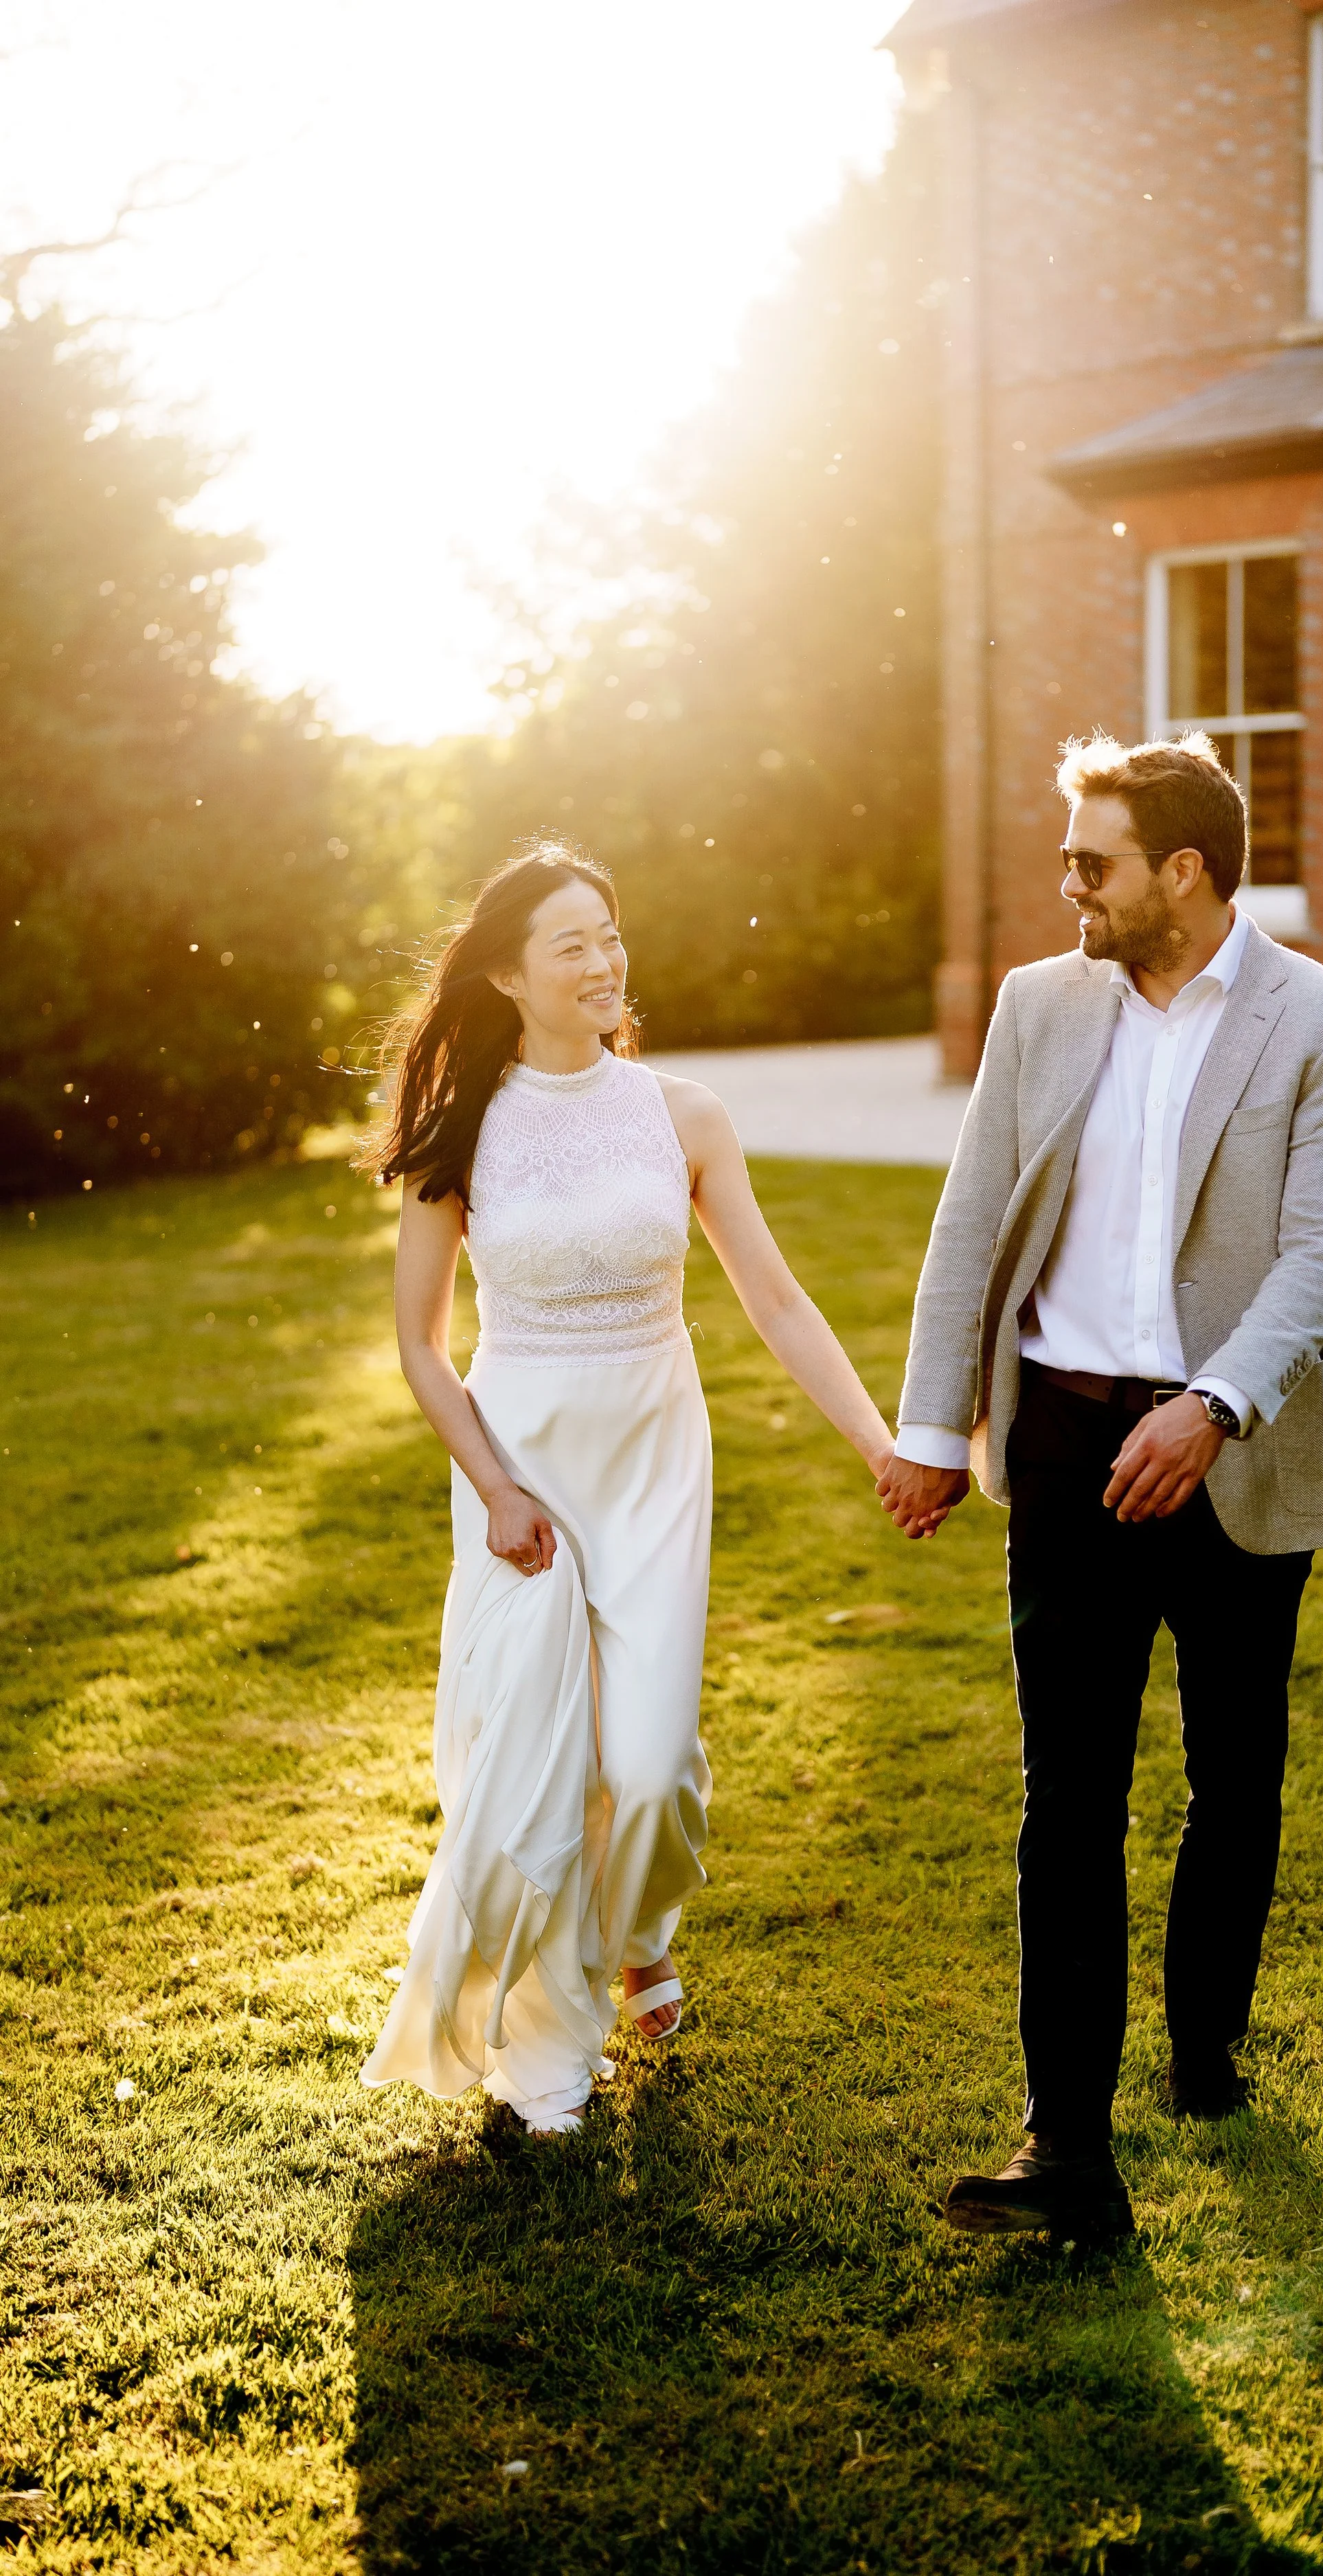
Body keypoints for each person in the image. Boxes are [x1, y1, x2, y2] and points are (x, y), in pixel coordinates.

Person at [874, 733, 1323, 2241]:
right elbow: (969, 1223)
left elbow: (1320, 1256)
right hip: (1059, 1451)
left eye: (1089, 862)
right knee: (1066, 1800)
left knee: (1232, 1779)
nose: (1066, 887)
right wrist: (926, 1425)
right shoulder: (1039, 1008)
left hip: (1234, 1448)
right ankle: (1063, 2146)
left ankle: (1204, 2037)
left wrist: (1214, 1405)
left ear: (1183, 871)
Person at [359, 842, 896, 2136]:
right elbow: (423, 1343)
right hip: (522, 1468)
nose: (604, 964)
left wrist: (880, 1443)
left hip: (657, 1452)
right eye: (571, 945)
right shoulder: (462, 1131)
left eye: (610, 936)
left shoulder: (686, 1115)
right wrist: (490, 1484)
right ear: (507, 973)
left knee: (649, 1766)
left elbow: (772, 1295)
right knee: (539, 1763)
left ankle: (641, 1928)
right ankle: (548, 2041)